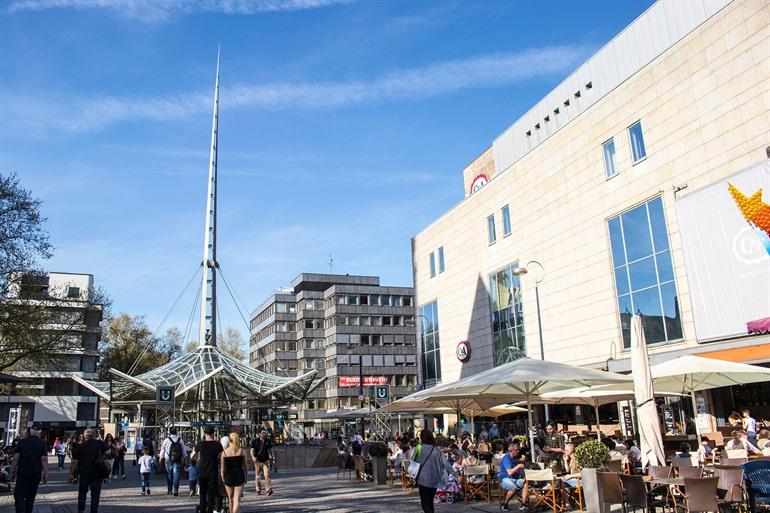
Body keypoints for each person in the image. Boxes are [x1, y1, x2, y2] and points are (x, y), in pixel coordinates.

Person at [415, 429, 456, 513]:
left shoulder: (419, 448)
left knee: (425, 504)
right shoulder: (437, 450)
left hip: (423, 479)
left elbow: (414, 462)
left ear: (422, 438)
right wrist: (454, 474)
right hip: (434, 479)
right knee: (430, 503)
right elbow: (446, 463)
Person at [13, 424, 48, 513]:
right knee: (31, 496)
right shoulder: (42, 443)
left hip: (23, 472)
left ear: (30, 431)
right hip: (36, 472)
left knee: (19, 494)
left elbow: (16, 457)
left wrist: (12, 470)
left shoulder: (22, 442)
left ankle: (20, 511)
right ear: (40, 432)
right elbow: (43, 459)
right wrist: (46, 473)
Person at [72, 427, 107, 513]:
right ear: (94, 435)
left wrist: (71, 473)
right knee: (95, 494)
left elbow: (75, 462)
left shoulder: (80, 447)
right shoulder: (100, 444)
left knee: (82, 492)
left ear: (84, 436)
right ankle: (94, 510)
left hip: (84, 473)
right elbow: (108, 452)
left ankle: (81, 509)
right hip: (97, 473)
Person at [190, 426, 223, 513]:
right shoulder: (218, 445)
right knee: (211, 494)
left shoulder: (200, 444)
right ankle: (210, 511)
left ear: (205, 434)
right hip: (213, 472)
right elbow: (222, 457)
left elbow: (191, 456)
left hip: (203, 472)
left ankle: (203, 510)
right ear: (213, 433)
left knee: (203, 494)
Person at [220, 432, 248, 513]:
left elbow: (222, 469)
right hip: (239, 476)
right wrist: (245, 478)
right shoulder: (241, 451)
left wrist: (223, 479)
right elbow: (245, 467)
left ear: (230, 441)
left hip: (228, 477)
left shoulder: (224, 453)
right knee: (237, 500)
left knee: (230, 499)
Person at [499, 442, 528, 512]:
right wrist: (518, 466)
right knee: (513, 488)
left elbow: (519, 463)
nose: (518, 451)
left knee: (525, 482)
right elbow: (510, 472)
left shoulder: (514, 458)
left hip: (514, 478)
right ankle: (505, 505)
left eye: (518, 449)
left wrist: (522, 461)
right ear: (511, 451)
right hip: (505, 478)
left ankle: (523, 504)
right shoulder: (506, 458)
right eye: (517, 450)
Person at [160, 427, 187, 496]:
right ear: (176, 432)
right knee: (176, 474)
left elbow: (162, 449)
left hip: (168, 459)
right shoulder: (180, 440)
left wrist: (161, 457)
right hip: (177, 459)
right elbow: (183, 450)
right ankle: (176, 489)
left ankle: (169, 489)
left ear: (169, 432)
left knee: (169, 473)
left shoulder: (166, 440)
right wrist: (184, 457)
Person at [250, 429, 274, 496]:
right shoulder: (255, 441)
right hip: (258, 461)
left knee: (267, 475)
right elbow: (251, 450)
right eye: (263, 433)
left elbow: (271, 450)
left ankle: (268, 489)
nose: (264, 434)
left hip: (266, 461)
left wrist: (273, 457)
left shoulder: (268, 441)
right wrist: (253, 457)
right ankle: (258, 490)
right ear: (259, 434)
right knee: (257, 477)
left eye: (265, 433)